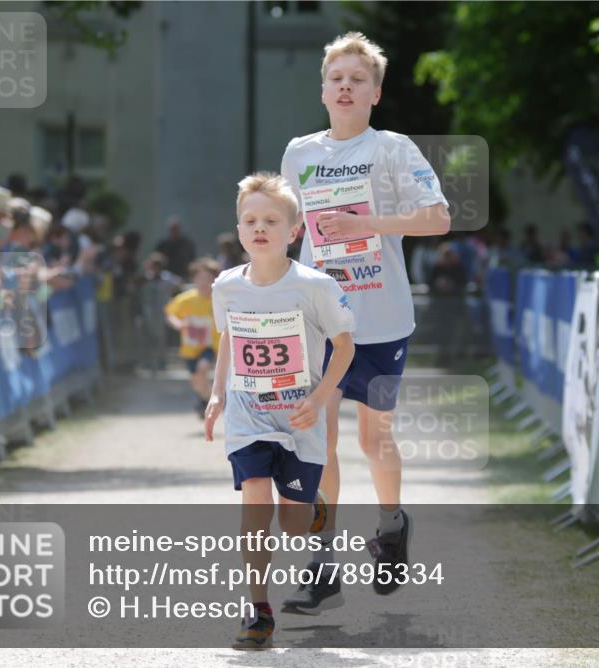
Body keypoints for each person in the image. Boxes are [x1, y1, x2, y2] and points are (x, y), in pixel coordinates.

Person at [279, 31, 451, 613]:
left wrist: (369, 225)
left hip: (381, 319)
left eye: (358, 79)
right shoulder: (299, 152)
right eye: (337, 78)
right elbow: (288, 232)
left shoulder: (394, 149)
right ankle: (322, 564)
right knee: (316, 443)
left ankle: (392, 525)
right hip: (320, 322)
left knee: (373, 438)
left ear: (375, 93)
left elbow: (437, 219)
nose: (346, 86)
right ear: (323, 89)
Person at [204, 172, 355, 650]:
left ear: (294, 231)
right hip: (249, 417)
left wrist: (318, 398)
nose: (259, 227)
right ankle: (258, 610)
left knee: (290, 525)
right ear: (239, 228)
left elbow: (344, 346)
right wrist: (217, 392)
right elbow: (228, 336)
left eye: (271, 219)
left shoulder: (314, 286)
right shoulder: (226, 286)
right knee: (254, 502)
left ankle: (313, 512)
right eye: (249, 220)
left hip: (299, 419)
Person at [164, 257, 221, 417]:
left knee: (202, 368)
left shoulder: (219, 299)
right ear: (193, 279)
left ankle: (212, 402)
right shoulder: (186, 299)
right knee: (196, 380)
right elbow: (170, 313)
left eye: (208, 279)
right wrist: (177, 324)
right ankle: (206, 401)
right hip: (190, 348)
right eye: (200, 278)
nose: (204, 283)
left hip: (210, 345)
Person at [155, 216, 196, 280]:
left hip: (182, 275)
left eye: (176, 228)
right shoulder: (163, 244)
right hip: (166, 276)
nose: (174, 231)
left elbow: (191, 259)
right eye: (172, 228)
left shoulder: (186, 244)